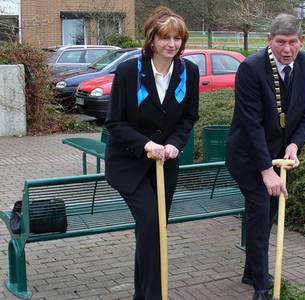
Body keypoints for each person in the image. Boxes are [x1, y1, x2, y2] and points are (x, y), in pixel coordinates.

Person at [104, 6, 199, 300]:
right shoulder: (129, 71)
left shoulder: (189, 71)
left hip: (165, 166)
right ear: (151, 39)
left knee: (152, 234)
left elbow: (188, 118)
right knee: (151, 225)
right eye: (165, 38)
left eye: (177, 39)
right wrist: (147, 144)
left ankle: (142, 294)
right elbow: (114, 122)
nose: (172, 44)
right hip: (128, 164)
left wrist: (175, 144)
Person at [226, 13, 305, 300]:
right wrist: (266, 170)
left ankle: (251, 270)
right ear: (269, 41)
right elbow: (251, 123)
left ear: (302, 41)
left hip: (280, 156)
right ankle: (262, 288)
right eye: (281, 42)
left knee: (265, 219)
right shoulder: (252, 69)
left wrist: (295, 145)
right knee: (260, 213)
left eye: (293, 42)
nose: (287, 49)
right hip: (248, 157)